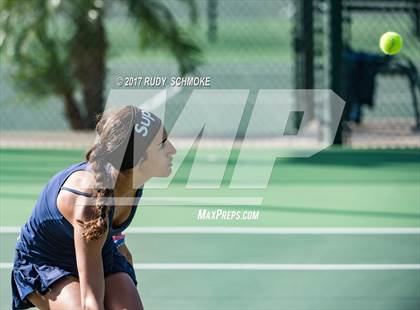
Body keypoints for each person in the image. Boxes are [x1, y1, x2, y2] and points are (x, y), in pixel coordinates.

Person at [11, 105, 176, 309]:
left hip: (96, 248)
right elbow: (91, 302)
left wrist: (117, 241)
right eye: (162, 145)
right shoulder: (89, 201)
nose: (173, 150)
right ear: (137, 159)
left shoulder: (133, 179)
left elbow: (104, 225)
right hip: (48, 260)